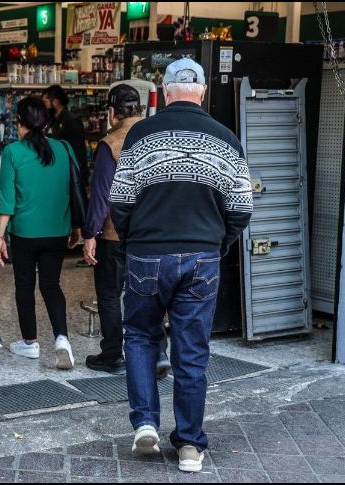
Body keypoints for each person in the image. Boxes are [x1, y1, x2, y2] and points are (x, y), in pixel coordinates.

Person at [109, 59, 252, 472]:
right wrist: (216, 243)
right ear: (202, 92)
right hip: (202, 257)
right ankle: (190, 445)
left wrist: (135, 239)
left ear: (166, 93)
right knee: (192, 351)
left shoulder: (141, 133)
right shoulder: (226, 139)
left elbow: (120, 201)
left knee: (139, 336)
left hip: (146, 255)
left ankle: (145, 424)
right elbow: (242, 208)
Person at [82, 84, 170, 377]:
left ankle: (112, 355)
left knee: (109, 294)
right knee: (149, 293)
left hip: (114, 234)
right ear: (140, 108)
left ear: (112, 112)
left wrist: (90, 233)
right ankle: (158, 352)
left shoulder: (111, 143)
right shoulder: (158, 136)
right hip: (152, 233)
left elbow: (102, 194)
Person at [0, 96, 81, 370]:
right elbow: (74, 190)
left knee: (25, 285)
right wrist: (77, 227)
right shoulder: (63, 148)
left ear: (20, 122)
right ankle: (62, 339)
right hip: (57, 231)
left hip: (25, 234)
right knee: (51, 285)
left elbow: (6, 199)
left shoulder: (13, 152)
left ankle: (30, 343)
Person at [42, 85, 89, 186]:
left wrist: (80, 181)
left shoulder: (72, 121)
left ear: (55, 102)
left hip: (69, 178)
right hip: (55, 174)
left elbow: (78, 153)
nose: (44, 106)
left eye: (45, 102)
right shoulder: (51, 121)